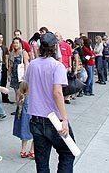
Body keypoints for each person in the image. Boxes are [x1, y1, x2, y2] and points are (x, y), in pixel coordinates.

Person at [25, 32, 74, 173]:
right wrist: (64, 119)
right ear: (55, 47)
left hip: (36, 118)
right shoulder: (57, 66)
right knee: (68, 152)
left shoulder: (33, 65)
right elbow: (57, 92)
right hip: (54, 119)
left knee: (41, 161)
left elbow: (26, 86)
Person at [13, 81, 34, 159]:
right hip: (32, 117)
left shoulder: (21, 96)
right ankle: (32, 151)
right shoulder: (31, 96)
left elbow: (18, 103)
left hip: (23, 118)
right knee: (36, 134)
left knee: (25, 133)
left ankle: (23, 150)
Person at [8, 36, 30, 103]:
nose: (15, 44)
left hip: (21, 76)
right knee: (16, 92)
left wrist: (25, 75)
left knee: (20, 93)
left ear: (20, 44)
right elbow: (10, 65)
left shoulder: (24, 53)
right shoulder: (12, 53)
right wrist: (9, 74)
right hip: (14, 75)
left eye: (17, 43)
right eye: (14, 43)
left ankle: (21, 110)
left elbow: (26, 64)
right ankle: (18, 109)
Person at [0, 33, 13, 103]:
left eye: (1, 37)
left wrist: (7, 67)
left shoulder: (5, 47)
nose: (0, 39)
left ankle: (5, 98)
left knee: (3, 83)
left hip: (3, 66)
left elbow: (6, 58)